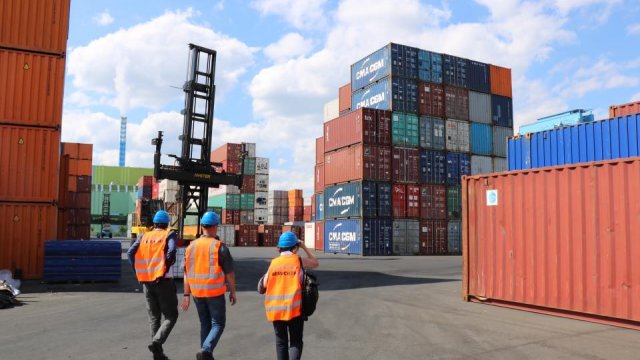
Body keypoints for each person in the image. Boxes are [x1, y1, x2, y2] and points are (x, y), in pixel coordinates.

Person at [181, 211, 237, 360]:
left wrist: (186, 294)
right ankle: (206, 349)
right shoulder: (219, 247)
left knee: (205, 323)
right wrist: (233, 292)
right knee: (218, 323)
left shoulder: (190, 246)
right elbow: (229, 274)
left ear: (202, 227)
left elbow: (186, 273)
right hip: (214, 293)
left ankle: (205, 353)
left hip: (197, 294)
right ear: (215, 226)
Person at [127, 210, 178, 360]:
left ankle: (158, 354)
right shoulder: (169, 235)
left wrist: (138, 271)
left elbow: (130, 252)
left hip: (146, 282)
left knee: (154, 317)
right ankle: (157, 342)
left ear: (154, 223)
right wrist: (165, 268)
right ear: (167, 223)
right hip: (163, 281)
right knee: (171, 316)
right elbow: (172, 251)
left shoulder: (144, 236)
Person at [260, 232, 319, 360]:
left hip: (276, 311)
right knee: (295, 342)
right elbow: (315, 263)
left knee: (281, 343)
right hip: (294, 310)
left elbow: (263, 285)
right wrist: (304, 247)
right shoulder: (298, 261)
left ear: (279, 248)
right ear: (295, 247)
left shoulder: (274, 263)